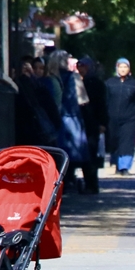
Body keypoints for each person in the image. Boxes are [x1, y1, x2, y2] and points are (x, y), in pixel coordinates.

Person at [47, 51, 90, 190]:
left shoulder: (49, 77)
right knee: (73, 154)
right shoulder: (73, 76)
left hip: (53, 118)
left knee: (57, 152)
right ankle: (71, 180)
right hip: (71, 118)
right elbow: (82, 100)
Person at [105, 57, 135, 175]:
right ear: (117, 68)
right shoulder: (110, 83)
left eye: (125, 67)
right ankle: (116, 165)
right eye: (121, 67)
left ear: (129, 69)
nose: (123, 69)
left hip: (130, 119)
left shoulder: (134, 84)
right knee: (115, 142)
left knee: (127, 143)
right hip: (112, 119)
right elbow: (105, 101)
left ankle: (125, 166)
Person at [76, 56, 108, 191]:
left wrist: (102, 123)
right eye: (79, 67)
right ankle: (88, 182)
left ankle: (92, 184)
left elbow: (102, 105)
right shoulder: (77, 82)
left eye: (84, 67)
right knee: (84, 154)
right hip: (80, 123)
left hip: (93, 123)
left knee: (91, 154)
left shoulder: (96, 83)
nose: (81, 69)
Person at [14, 56, 59, 148]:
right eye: (35, 68)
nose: (38, 71)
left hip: (29, 136)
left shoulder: (42, 85)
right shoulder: (38, 87)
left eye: (41, 68)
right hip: (39, 135)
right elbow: (53, 113)